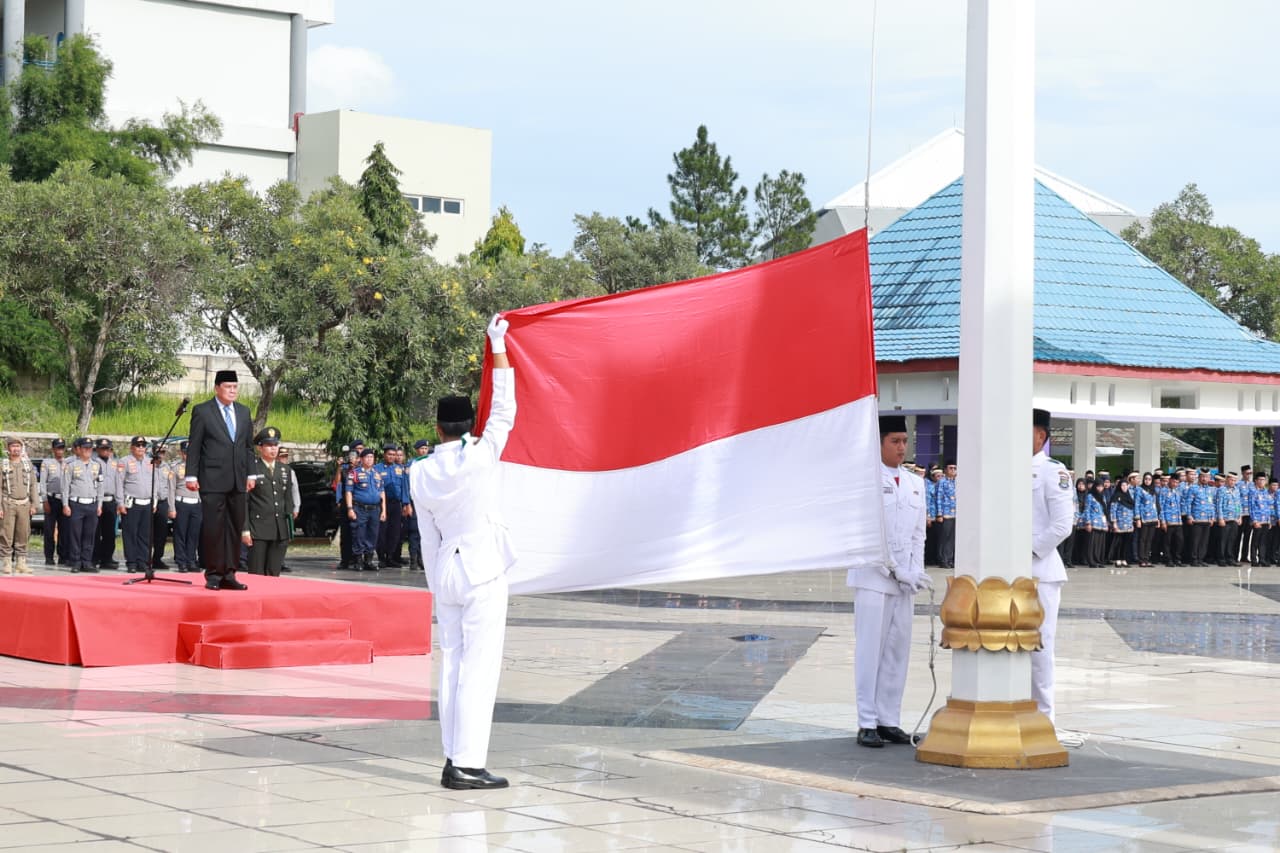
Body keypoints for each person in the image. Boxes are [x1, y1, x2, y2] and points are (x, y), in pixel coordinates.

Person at [410, 314, 515, 790]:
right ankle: (468, 763)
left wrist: (436, 584)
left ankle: (453, 756)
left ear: (437, 427)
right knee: (479, 666)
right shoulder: (480, 456)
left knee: (452, 662)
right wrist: (498, 346)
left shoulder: (418, 472)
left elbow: (427, 537)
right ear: (468, 424)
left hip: (447, 571)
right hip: (483, 570)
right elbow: (506, 410)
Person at [848, 414, 928, 749]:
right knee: (871, 651)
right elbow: (868, 534)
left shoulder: (914, 483)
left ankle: (888, 719)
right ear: (879, 443)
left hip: (904, 582)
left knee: (897, 651)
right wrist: (896, 569)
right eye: (894, 441)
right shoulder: (865, 481)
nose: (901, 448)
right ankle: (867, 721)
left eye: (904, 441)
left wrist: (916, 572)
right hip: (873, 577)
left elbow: (918, 534)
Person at [184, 369, 256, 591]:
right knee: (214, 528)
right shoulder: (203, 411)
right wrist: (191, 474)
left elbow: (248, 447)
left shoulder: (243, 412)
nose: (232, 390)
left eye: (235, 387)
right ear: (217, 388)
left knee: (234, 527)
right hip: (213, 478)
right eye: (228, 387)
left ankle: (230, 573)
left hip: (237, 479)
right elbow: (195, 445)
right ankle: (214, 574)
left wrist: (251, 473)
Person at [1030, 409, 1076, 723]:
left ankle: (1044, 719)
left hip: (1040, 571)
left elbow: (1062, 525)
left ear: (1040, 436)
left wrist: (1028, 551)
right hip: (1005, 573)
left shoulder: (1052, 471)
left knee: (1040, 647)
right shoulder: (1004, 468)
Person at [243, 427, 294, 577]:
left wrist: (289, 529)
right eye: (269, 445)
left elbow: (287, 500)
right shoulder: (251, 468)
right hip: (258, 529)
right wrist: (245, 530)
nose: (274, 449)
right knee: (257, 573)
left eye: (275, 445)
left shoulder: (285, 470)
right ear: (260, 447)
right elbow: (245, 502)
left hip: (280, 529)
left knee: (274, 573)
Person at [63, 438, 105, 573]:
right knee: (75, 534)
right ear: (79, 449)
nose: (88, 451)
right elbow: (65, 487)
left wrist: (99, 504)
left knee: (90, 535)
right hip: (76, 503)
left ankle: (87, 561)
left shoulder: (97, 465)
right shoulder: (71, 465)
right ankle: (76, 561)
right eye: (85, 448)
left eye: (90, 448)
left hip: (92, 503)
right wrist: (65, 504)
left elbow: (100, 486)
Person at [116, 436, 157, 574]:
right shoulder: (124, 461)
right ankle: (131, 562)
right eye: (138, 445)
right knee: (130, 534)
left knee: (145, 535)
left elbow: (155, 481)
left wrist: (154, 500)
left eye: (143, 445)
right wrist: (120, 503)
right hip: (131, 503)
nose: (140, 448)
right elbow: (119, 483)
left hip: (147, 502)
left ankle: (143, 561)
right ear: (132, 447)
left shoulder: (150, 461)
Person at [1, 437, 39, 575]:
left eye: (18, 446)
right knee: (6, 534)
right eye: (13, 446)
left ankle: (21, 563)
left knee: (23, 533)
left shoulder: (27, 465)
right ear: (8, 448)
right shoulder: (3, 464)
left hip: (24, 504)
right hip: (8, 504)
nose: (16, 449)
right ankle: (6, 562)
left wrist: (35, 504)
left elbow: (34, 485)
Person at [345, 448, 386, 571]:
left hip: (375, 509)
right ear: (361, 459)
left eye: (372, 457)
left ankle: (369, 560)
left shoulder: (377, 474)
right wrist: (350, 508)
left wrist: (384, 510)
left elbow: (382, 493)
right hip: (360, 508)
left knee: (372, 534)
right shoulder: (355, 473)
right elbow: (348, 492)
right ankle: (358, 560)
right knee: (359, 533)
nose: (370, 460)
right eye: (367, 457)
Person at [168, 441, 202, 573]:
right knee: (180, 534)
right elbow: (171, 489)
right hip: (181, 503)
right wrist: (171, 508)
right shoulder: (176, 468)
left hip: (196, 503)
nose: (189, 455)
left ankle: (191, 560)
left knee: (193, 535)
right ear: (182, 453)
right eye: (186, 452)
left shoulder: (200, 467)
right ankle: (181, 562)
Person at [39, 438, 70, 566]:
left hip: (64, 500)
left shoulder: (68, 463)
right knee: (49, 530)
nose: (60, 450)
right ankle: (49, 557)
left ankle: (63, 556)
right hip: (51, 499)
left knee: (64, 530)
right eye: (58, 448)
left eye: (62, 448)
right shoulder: (47, 463)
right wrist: (45, 500)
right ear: (53, 449)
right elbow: (42, 483)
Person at [375, 444, 406, 568]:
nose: (392, 457)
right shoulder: (377, 468)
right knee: (382, 531)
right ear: (384, 455)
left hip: (396, 504)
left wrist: (405, 504)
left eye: (394, 455)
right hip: (383, 503)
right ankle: (381, 557)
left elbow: (404, 487)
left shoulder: (400, 469)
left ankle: (391, 557)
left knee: (395, 531)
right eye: (389, 454)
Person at [93, 439, 121, 570]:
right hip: (97, 501)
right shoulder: (93, 463)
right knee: (95, 532)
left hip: (110, 501)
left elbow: (119, 483)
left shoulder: (115, 464)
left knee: (110, 532)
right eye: (103, 448)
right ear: (97, 449)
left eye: (108, 449)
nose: (106, 451)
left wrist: (119, 501)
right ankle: (94, 558)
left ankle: (107, 558)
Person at [1216, 472, 1243, 567]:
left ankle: (1230, 558)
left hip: (1234, 519)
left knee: (1232, 540)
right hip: (1225, 519)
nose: (1233, 482)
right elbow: (1219, 505)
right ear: (1227, 479)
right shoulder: (1221, 490)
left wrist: (1240, 516)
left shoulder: (1236, 490)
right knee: (1223, 540)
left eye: (1235, 480)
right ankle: (1221, 558)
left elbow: (1238, 505)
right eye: (1231, 479)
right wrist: (1220, 518)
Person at [934, 461, 957, 569]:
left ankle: (950, 558)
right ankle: (943, 559)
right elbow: (938, 497)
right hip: (945, 513)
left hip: (955, 513)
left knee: (952, 538)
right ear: (945, 470)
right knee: (944, 538)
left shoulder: (956, 482)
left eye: (954, 468)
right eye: (950, 468)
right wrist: (939, 514)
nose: (953, 470)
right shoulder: (942, 482)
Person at [1249, 472, 1272, 567]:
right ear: (1256, 481)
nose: (1262, 481)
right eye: (1260, 479)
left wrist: (1269, 520)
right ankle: (1254, 559)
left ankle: (1262, 559)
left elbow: (1268, 506)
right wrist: (1254, 521)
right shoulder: (1253, 491)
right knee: (1255, 541)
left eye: (1264, 480)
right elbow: (1251, 507)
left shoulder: (1266, 492)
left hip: (1265, 520)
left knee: (1263, 542)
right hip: (1258, 520)